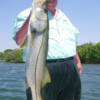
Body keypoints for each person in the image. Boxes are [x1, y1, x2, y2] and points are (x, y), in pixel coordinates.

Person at [13, 0, 82, 100]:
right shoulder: (27, 14)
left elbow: (72, 41)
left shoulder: (64, 16)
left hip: (71, 68)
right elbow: (19, 40)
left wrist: (78, 61)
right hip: (43, 67)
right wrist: (32, 15)